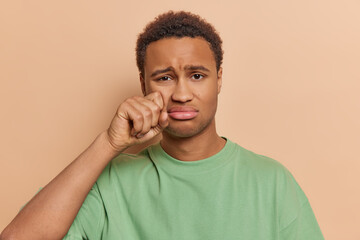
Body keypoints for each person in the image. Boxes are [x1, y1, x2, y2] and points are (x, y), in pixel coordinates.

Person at [0, 11, 324, 240]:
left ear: (219, 79)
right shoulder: (111, 181)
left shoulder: (272, 183)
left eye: (197, 75)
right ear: (144, 83)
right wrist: (108, 144)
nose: (182, 94)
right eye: (165, 78)